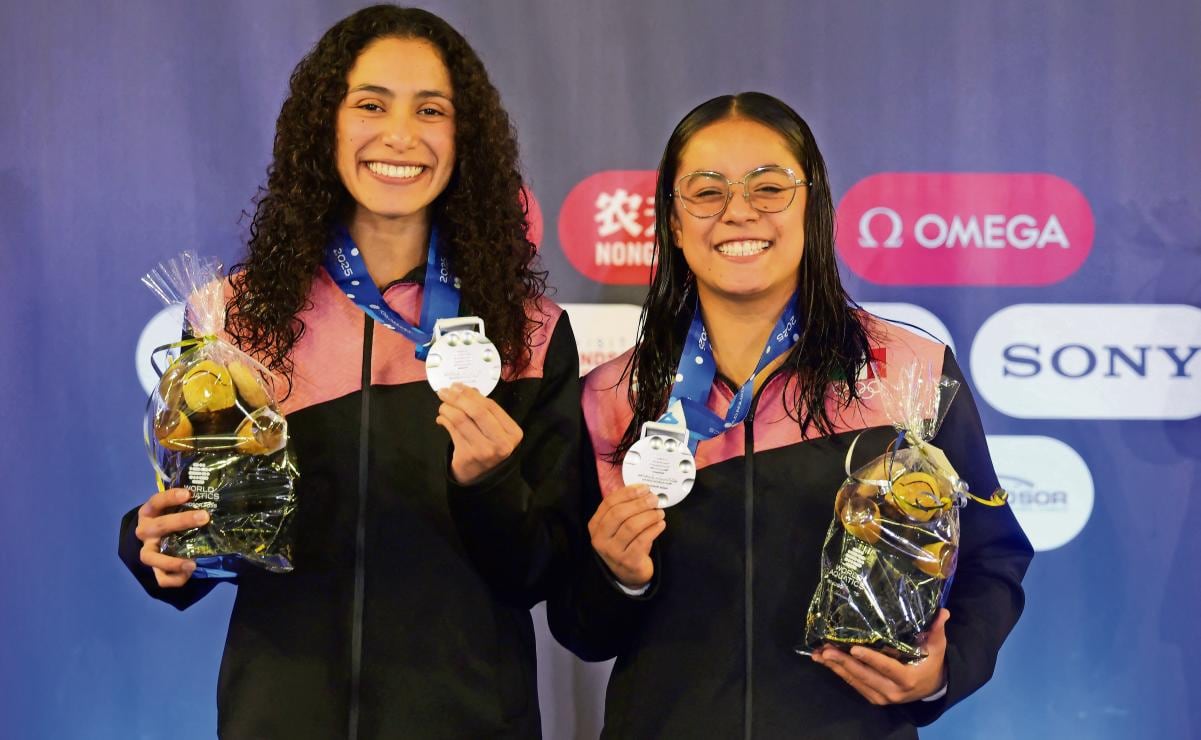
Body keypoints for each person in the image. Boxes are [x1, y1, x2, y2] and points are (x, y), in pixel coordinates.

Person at [118, 6, 579, 738]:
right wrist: (159, 549)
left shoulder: (528, 334)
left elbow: (547, 574)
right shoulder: (235, 318)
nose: (400, 135)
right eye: (370, 104)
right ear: (324, 127)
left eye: (431, 110)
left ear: (465, 138)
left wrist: (490, 484)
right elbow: (215, 534)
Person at [548, 92, 1033, 738]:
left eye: (769, 187)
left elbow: (992, 557)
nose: (738, 211)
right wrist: (619, 577)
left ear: (813, 207)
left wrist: (942, 672)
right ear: (673, 222)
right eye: (706, 191)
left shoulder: (910, 373)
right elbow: (580, 628)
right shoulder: (613, 397)